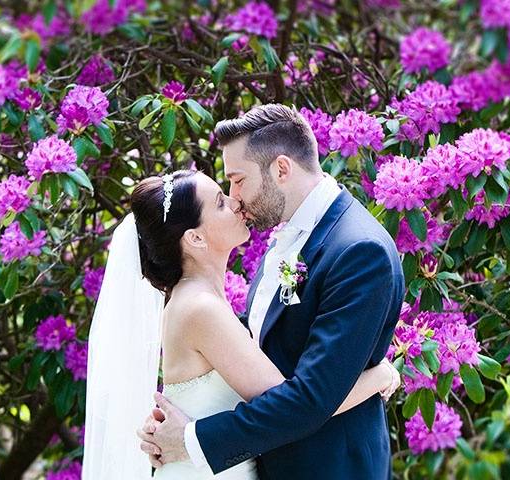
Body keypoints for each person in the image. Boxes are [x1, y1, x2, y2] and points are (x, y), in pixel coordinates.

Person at [137, 104, 405, 479]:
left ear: (281, 169)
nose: (235, 197)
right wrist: (378, 376)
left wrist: (192, 439)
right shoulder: (283, 239)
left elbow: (309, 399)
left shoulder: (359, 251)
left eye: (238, 179)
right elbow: (262, 343)